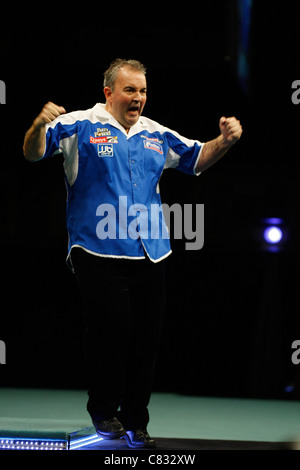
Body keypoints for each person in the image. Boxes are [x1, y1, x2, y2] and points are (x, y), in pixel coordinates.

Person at [23, 58, 242, 448]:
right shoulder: (78, 124)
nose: (138, 97)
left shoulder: (156, 133)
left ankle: (136, 420)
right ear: (108, 93)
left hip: (151, 252)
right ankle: (103, 408)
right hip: (94, 248)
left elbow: (195, 159)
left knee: (147, 338)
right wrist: (39, 126)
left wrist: (223, 142)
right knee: (112, 326)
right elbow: (34, 153)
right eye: (130, 90)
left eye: (142, 90)